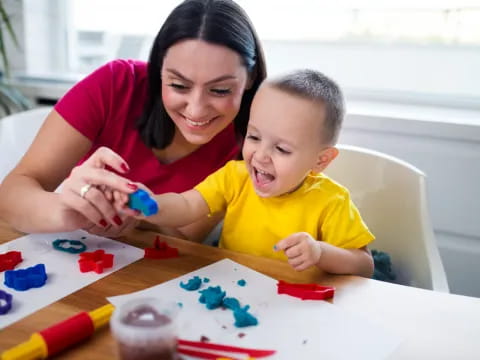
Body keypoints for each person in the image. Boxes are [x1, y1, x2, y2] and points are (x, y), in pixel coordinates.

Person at [0, 0, 266, 241]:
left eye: (220, 90)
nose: (196, 110)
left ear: (250, 79)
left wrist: (134, 216)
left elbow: (183, 238)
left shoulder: (255, 140)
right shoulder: (116, 85)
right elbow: (11, 194)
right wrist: (67, 210)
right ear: (159, 69)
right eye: (178, 85)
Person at [117, 70, 375, 276]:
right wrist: (150, 205)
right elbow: (187, 204)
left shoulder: (331, 201)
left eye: (282, 149)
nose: (260, 155)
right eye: (253, 136)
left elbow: (364, 265)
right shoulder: (235, 177)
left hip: (296, 304)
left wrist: (319, 252)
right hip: (234, 289)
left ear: (321, 160)